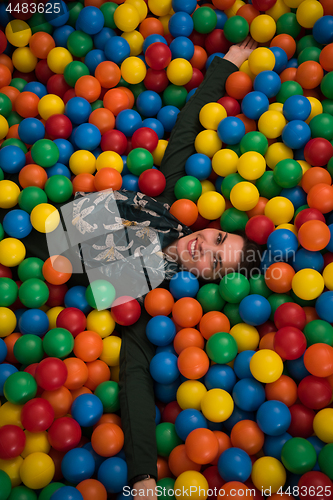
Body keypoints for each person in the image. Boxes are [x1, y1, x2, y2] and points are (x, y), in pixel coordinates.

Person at [0, 37, 261, 498]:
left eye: (215, 260)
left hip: (24, 254)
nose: (207, 245)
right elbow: (185, 129)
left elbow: (136, 376)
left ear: (210, 281)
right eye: (219, 238)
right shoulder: (175, 209)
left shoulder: (153, 293)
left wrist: (143, 475)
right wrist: (225, 66)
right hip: (35, 193)